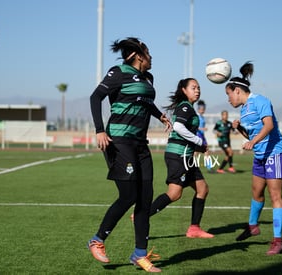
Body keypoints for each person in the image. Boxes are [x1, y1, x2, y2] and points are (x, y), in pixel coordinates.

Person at [88, 37, 171, 273]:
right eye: (148, 52)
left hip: (140, 144)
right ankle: (97, 240)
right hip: (119, 141)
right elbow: (96, 98)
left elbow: (144, 101)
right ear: (137, 55)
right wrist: (99, 130)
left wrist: (160, 115)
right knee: (128, 195)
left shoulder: (148, 78)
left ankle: (140, 254)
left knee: (145, 197)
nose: (151, 56)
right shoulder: (119, 73)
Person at [225, 62, 282, 255]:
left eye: (228, 94)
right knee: (256, 192)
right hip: (260, 155)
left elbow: (268, 126)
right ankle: (252, 226)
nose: (228, 99)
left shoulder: (260, 100)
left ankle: (278, 241)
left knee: (275, 196)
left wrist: (253, 143)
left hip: (275, 153)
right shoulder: (244, 110)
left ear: (237, 91)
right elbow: (251, 137)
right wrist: (240, 129)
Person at [149, 78, 214, 238]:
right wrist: (199, 141)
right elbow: (178, 127)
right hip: (179, 156)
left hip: (186, 156)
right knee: (174, 194)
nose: (197, 90)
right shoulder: (185, 106)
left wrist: (200, 147)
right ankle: (141, 216)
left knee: (202, 189)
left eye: (198, 87)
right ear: (184, 90)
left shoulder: (188, 107)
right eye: (193, 87)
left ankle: (194, 229)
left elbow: (184, 134)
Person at [196, 100, 213, 172]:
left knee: (206, 151)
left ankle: (209, 167)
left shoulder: (202, 117)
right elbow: (194, 126)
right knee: (195, 152)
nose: (203, 110)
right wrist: (202, 128)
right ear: (198, 108)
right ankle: (193, 166)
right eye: (201, 109)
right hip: (197, 135)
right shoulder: (197, 117)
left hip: (202, 135)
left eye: (204, 109)